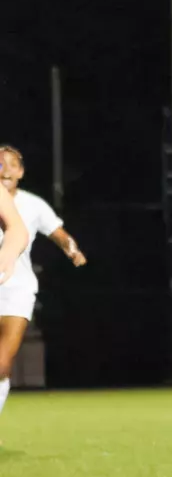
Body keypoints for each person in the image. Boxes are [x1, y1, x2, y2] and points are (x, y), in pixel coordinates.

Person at [0, 145, 85, 425]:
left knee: (2, 363)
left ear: (20, 171)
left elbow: (56, 233)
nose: (5, 170)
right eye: (0, 164)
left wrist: (72, 250)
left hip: (17, 288)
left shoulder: (32, 205)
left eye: (11, 165)